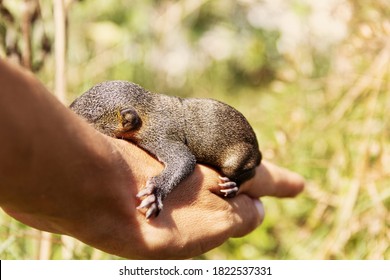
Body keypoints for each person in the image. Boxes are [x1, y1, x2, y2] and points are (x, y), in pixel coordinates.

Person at [0, 59, 304, 259]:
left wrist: (158, 186)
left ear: (127, 122)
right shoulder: (144, 114)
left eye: (93, 131)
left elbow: (182, 161)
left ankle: (240, 177)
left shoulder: (156, 128)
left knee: (235, 165)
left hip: (238, 153)